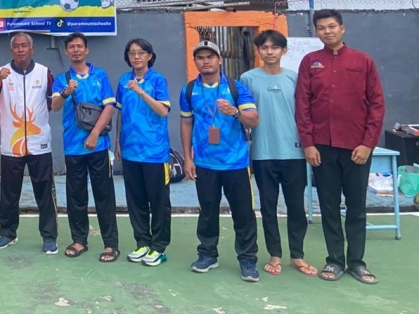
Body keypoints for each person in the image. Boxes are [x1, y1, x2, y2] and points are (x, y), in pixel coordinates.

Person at [295, 10, 385, 285]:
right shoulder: (310, 62)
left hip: (356, 147)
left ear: (342, 29)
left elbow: (377, 105)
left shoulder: (363, 61)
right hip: (322, 148)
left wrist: (367, 143)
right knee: (329, 205)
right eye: (321, 28)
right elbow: (302, 105)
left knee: (356, 207)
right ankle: (334, 260)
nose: (327, 31)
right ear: (317, 32)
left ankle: (357, 262)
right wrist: (309, 144)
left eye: (332, 26)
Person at [179, 40, 260, 282]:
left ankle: (247, 259)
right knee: (207, 212)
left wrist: (235, 112)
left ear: (219, 60)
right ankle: (207, 254)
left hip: (236, 163)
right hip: (204, 163)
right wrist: (188, 158)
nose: (205, 61)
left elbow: (254, 119)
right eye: (200, 57)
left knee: (243, 214)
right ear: (195, 61)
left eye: (210, 57)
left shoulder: (236, 88)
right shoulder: (189, 90)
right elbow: (186, 123)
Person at [242, 30, 316, 278]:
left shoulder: (295, 78)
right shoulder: (248, 79)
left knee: (296, 206)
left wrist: (309, 144)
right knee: (268, 207)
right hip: (263, 153)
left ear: (284, 50)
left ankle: (297, 255)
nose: (269, 51)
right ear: (257, 51)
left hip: (294, 153)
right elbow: (244, 115)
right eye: (264, 47)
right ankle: (275, 254)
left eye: (275, 47)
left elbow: (305, 115)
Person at [0, 33, 58, 254]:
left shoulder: (44, 72)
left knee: (44, 192)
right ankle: (7, 233)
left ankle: (49, 236)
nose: (20, 49)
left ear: (32, 49)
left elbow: (54, 102)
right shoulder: (1, 71)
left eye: (24, 45)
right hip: (11, 144)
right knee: (9, 193)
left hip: (39, 144)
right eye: (16, 46)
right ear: (11, 50)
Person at [51, 33, 119, 262]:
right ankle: (79, 239)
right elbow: (54, 106)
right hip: (73, 148)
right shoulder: (62, 79)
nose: (76, 50)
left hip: (98, 147)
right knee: (76, 196)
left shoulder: (100, 75)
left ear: (86, 50)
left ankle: (111, 244)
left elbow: (109, 107)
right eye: (71, 47)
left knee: (104, 195)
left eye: (79, 46)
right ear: (66, 52)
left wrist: (94, 134)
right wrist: (66, 92)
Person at [114, 38, 171, 267]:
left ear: (149, 56)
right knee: (135, 200)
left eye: (140, 52)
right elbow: (120, 112)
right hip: (130, 151)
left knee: (158, 201)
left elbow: (163, 111)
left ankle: (159, 247)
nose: (136, 57)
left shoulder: (158, 80)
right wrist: (118, 142)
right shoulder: (123, 80)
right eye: (131, 53)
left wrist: (140, 92)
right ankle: (143, 242)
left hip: (154, 152)